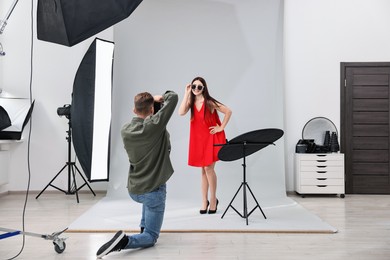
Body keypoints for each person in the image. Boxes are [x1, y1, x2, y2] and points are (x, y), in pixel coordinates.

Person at [96, 90, 178, 258]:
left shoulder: (125, 130)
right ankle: (124, 241)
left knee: (147, 203)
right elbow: (174, 97)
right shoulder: (154, 127)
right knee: (151, 237)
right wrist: (159, 98)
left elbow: (150, 122)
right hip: (153, 191)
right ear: (152, 111)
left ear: (134, 110)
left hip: (135, 190)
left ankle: (143, 228)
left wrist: (153, 104)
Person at [178, 76, 232, 214]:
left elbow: (228, 111)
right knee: (203, 171)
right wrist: (186, 93)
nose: (196, 89)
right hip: (198, 139)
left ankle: (213, 200)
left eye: (199, 87)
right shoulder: (190, 101)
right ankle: (204, 201)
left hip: (211, 138)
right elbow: (181, 112)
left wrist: (221, 127)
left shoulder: (209, 102)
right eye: (194, 86)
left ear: (204, 88)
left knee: (208, 168)